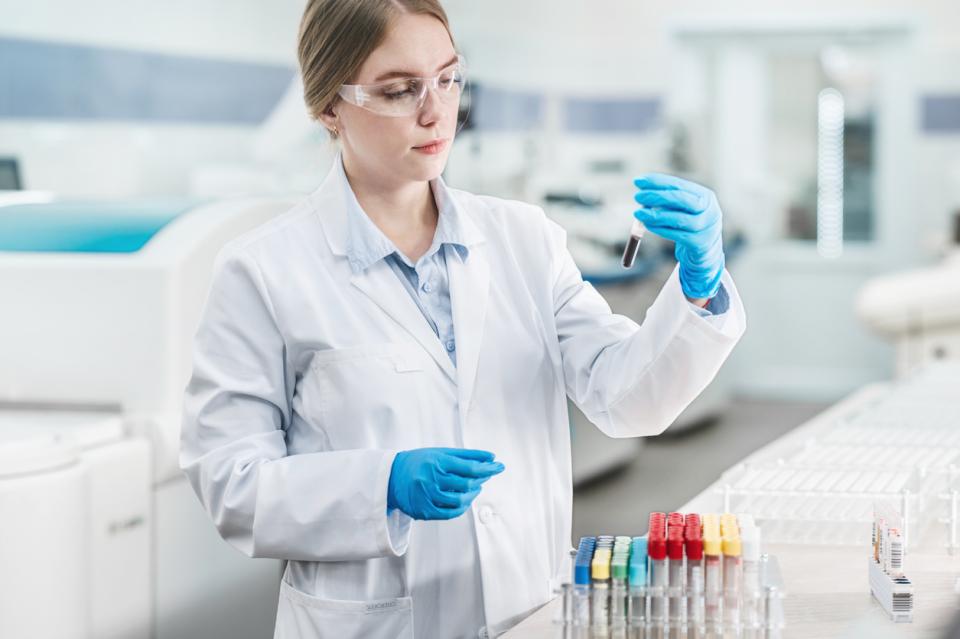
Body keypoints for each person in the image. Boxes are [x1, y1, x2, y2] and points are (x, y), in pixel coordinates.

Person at [179, 1, 746, 637]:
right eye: (398, 90)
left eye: (448, 79)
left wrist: (697, 293)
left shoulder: (522, 239)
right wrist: (379, 484)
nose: (435, 110)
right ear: (328, 107)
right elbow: (232, 483)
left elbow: (628, 398)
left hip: (526, 608)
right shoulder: (264, 270)